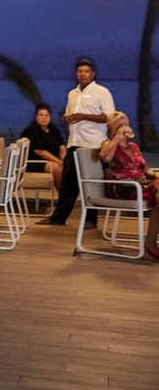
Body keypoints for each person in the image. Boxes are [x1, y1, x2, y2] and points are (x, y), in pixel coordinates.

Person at [37, 57, 115, 229]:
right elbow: (70, 113)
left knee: (91, 182)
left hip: (93, 144)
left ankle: (90, 220)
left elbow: (109, 118)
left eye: (86, 71)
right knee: (68, 182)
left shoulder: (102, 92)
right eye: (80, 71)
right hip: (74, 143)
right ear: (76, 74)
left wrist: (83, 116)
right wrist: (66, 117)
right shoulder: (72, 93)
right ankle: (59, 217)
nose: (83, 74)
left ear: (93, 74)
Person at [99, 111, 159, 260]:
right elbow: (105, 158)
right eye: (119, 126)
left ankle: (150, 246)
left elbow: (146, 170)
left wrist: (156, 176)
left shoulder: (133, 146)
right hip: (121, 186)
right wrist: (117, 138)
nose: (124, 128)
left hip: (140, 185)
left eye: (126, 124)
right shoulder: (107, 144)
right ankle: (150, 246)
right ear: (111, 129)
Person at [20, 102, 66, 191]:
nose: (44, 118)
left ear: (50, 117)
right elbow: (41, 152)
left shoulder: (53, 129)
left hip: (51, 161)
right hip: (33, 163)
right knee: (57, 168)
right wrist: (61, 162)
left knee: (70, 166)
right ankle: (63, 198)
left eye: (46, 115)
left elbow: (61, 146)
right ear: (36, 117)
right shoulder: (31, 131)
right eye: (41, 115)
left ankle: (71, 195)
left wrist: (65, 160)